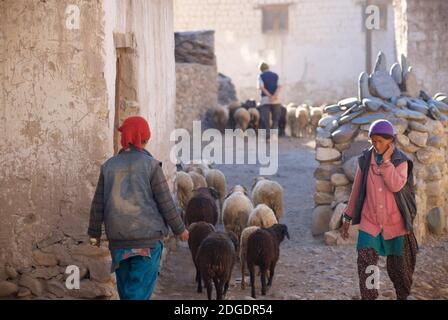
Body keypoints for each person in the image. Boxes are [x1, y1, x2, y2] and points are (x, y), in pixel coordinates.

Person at [88, 116, 189, 300]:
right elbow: (165, 202)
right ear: (145, 138)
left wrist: (94, 234)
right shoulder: (151, 166)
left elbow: (98, 204)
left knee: (126, 291)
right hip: (147, 242)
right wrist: (180, 229)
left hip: (119, 242)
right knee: (138, 293)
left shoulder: (109, 166)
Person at [341, 119, 418, 300]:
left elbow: (396, 185)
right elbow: (357, 190)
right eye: (372, 141)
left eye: (379, 141)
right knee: (366, 263)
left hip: (396, 224)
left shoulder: (401, 161)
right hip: (371, 222)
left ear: (390, 141)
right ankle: (370, 297)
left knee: (399, 269)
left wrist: (385, 162)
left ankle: (402, 296)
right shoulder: (366, 160)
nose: (375, 145)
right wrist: (347, 217)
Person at [257, 62, 282, 140]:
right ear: (268, 67)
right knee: (275, 118)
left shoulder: (261, 76)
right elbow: (279, 86)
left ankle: (267, 137)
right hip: (276, 100)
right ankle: (274, 136)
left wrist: (269, 96)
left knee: (266, 119)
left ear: (261, 69)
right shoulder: (276, 75)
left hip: (265, 100)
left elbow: (261, 87)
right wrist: (274, 96)